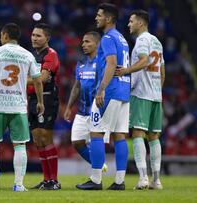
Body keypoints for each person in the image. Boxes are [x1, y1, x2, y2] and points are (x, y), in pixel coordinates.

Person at [0, 23, 44, 192]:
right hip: (19, 106)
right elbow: (37, 80)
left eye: (1, 35)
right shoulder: (27, 55)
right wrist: (40, 102)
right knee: (20, 145)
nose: (0, 38)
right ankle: (18, 184)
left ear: (5, 35)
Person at [77, 3, 130, 190]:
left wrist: (101, 90)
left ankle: (96, 180)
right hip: (124, 92)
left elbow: (111, 63)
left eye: (99, 15)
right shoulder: (122, 38)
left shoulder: (107, 38)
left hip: (111, 91)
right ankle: (119, 181)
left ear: (108, 18)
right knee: (119, 135)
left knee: (96, 132)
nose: (96, 18)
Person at [116, 9, 165, 190]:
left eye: (131, 21)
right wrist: (158, 90)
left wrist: (126, 71)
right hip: (156, 95)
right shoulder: (157, 41)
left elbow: (144, 61)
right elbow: (162, 71)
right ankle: (157, 180)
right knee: (154, 136)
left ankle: (143, 178)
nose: (129, 24)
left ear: (141, 23)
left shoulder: (142, 40)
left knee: (138, 133)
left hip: (141, 93)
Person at [64, 31, 109, 172]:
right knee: (77, 142)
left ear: (97, 44)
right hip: (82, 110)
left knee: (97, 141)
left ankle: (97, 172)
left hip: (98, 109)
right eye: (83, 42)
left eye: (88, 41)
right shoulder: (81, 63)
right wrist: (69, 107)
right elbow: (77, 86)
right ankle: (100, 165)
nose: (83, 44)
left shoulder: (104, 62)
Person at [28, 23, 60, 190]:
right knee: (37, 140)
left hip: (47, 99)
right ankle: (46, 179)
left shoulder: (51, 55)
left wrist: (17, 79)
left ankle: (54, 180)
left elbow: (42, 78)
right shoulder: (31, 55)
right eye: (33, 35)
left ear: (47, 38)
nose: (34, 38)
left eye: (38, 35)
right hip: (32, 99)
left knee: (45, 137)